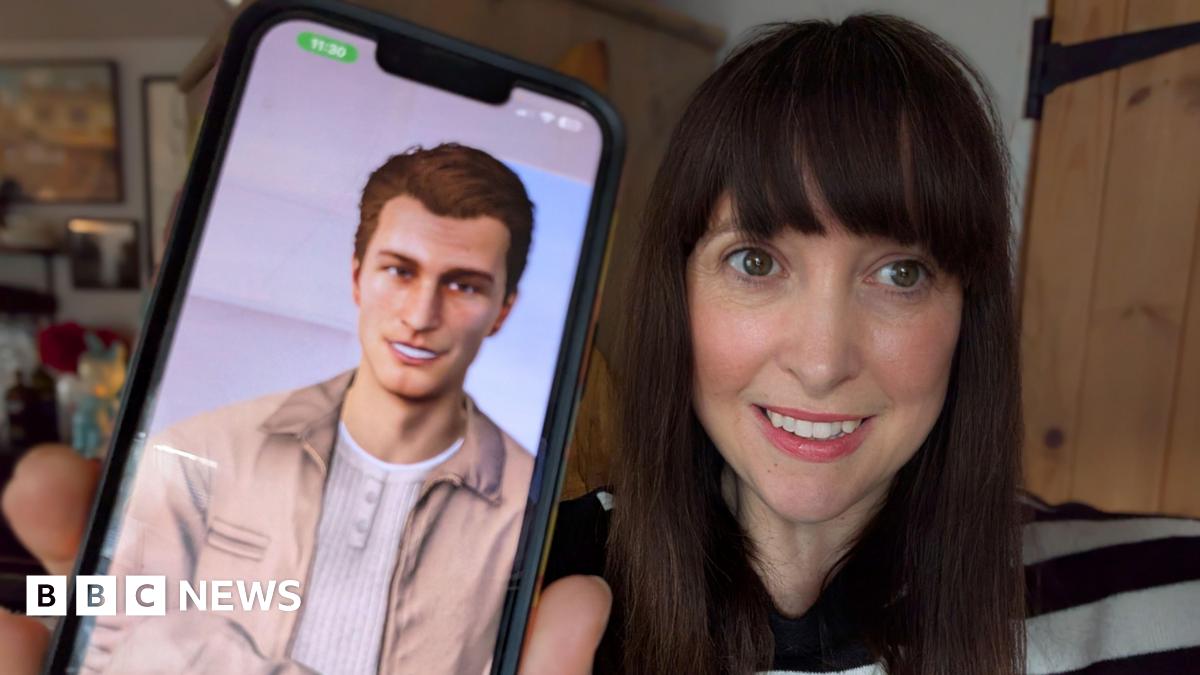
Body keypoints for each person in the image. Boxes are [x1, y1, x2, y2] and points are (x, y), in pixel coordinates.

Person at [4, 13, 1199, 675]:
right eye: (757, 260)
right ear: (670, 295)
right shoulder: (505, 605)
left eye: (900, 271)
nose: (825, 355)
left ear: (968, 312)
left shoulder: (1166, 603)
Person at [69, 142, 537, 674]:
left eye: (462, 285)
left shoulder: (528, 506)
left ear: (502, 311)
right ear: (357, 277)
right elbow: (103, 652)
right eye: (400, 271)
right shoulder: (197, 453)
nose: (420, 314)